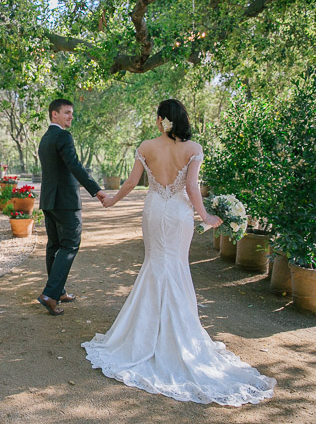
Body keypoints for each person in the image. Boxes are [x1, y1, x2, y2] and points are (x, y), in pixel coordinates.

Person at [82, 99, 276, 406]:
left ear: (161, 120)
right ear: (181, 119)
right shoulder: (192, 148)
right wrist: (206, 216)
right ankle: (176, 335)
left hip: (154, 211)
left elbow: (133, 181)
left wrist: (112, 201)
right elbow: (192, 187)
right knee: (175, 264)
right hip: (179, 214)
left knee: (155, 262)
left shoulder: (146, 146)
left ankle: (143, 335)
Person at [37, 99, 107, 316]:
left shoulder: (45, 138)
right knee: (70, 246)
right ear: (54, 114)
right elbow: (74, 165)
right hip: (65, 202)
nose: (71, 117)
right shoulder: (63, 136)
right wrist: (96, 190)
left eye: (71, 113)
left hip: (49, 201)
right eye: (67, 112)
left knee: (54, 246)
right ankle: (50, 294)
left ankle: (58, 292)